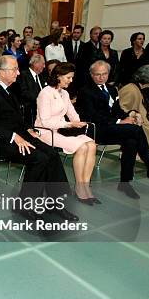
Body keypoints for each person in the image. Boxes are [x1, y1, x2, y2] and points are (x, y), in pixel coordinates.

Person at [0, 56, 77, 221]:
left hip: (19, 135)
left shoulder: (10, 89)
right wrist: (14, 136)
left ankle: (56, 204)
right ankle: (24, 205)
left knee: (51, 154)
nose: (18, 73)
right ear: (2, 72)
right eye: (14, 69)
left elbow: (16, 119)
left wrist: (27, 129)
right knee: (39, 159)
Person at [76, 61, 149, 199]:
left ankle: (125, 183)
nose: (101, 77)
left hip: (112, 128)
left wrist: (131, 114)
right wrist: (120, 121)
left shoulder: (112, 89)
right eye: (97, 74)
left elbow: (118, 110)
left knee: (131, 141)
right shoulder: (85, 91)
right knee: (135, 131)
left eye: (104, 74)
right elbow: (92, 116)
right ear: (91, 75)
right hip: (96, 129)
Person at [35, 62, 98, 203]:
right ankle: (79, 189)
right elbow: (45, 122)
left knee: (92, 145)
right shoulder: (45, 93)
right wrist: (69, 124)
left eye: (72, 78)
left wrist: (78, 122)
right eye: (68, 77)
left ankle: (84, 186)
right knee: (82, 147)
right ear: (58, 76)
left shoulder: (64, 93)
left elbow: (73, 114)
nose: (71, 80)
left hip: (62, 130)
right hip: (46, 132)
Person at [17, 54, 47, 127]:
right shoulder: (23, 75)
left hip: (42, 109)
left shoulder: (41, 75)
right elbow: (24, 93)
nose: (44, 66)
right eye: (43, 63)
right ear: (35, 63)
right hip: (30, 111)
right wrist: (40, 99)